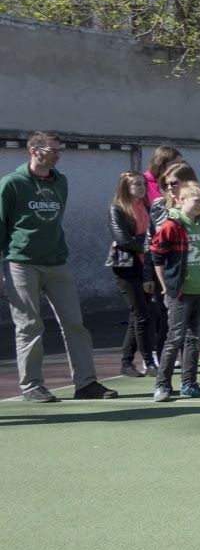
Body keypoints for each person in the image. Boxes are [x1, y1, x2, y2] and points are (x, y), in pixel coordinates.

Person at [2, 132, 116, 403]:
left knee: (75, 323)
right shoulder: (11, 183)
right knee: (29, 325)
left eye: (59, 150)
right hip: (21, 263)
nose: (57, 155)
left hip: (57, 262)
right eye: (52, 150)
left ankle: (86, 383)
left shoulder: (60, 181)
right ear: (34, 150)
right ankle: (32, 385)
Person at [148, 181, 200, 400]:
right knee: (175, 338)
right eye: (196, 201)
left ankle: (189, 383)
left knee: (194, 338)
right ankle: (162, 385)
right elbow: (157, 255)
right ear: (181, 200)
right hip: (180, 292)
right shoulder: (171, 226)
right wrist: (165, 286)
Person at [109, 171, 160, 378]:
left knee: (140, 314)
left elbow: (155, 235)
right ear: (126, 187)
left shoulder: (147, 207)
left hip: (145, 265)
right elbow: (124, 240)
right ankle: (149, 362)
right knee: (142, 314)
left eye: (143, 184)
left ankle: (126, 362)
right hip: (126, 266)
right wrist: (148, 244)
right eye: (136, 184)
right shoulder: (117, 208)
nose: (141, 188)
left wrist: (147, 244)